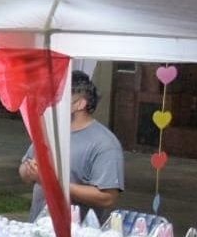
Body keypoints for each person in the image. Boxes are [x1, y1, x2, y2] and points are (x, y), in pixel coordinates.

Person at [19, 71, 125, 222]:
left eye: (57, 98)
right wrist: (29, 171)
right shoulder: (50, 130)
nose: (50, 104)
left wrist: (52, 182)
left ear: (80, 104)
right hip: (38, 231)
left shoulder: (104, 144)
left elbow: (107, 198)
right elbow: (24, 170)